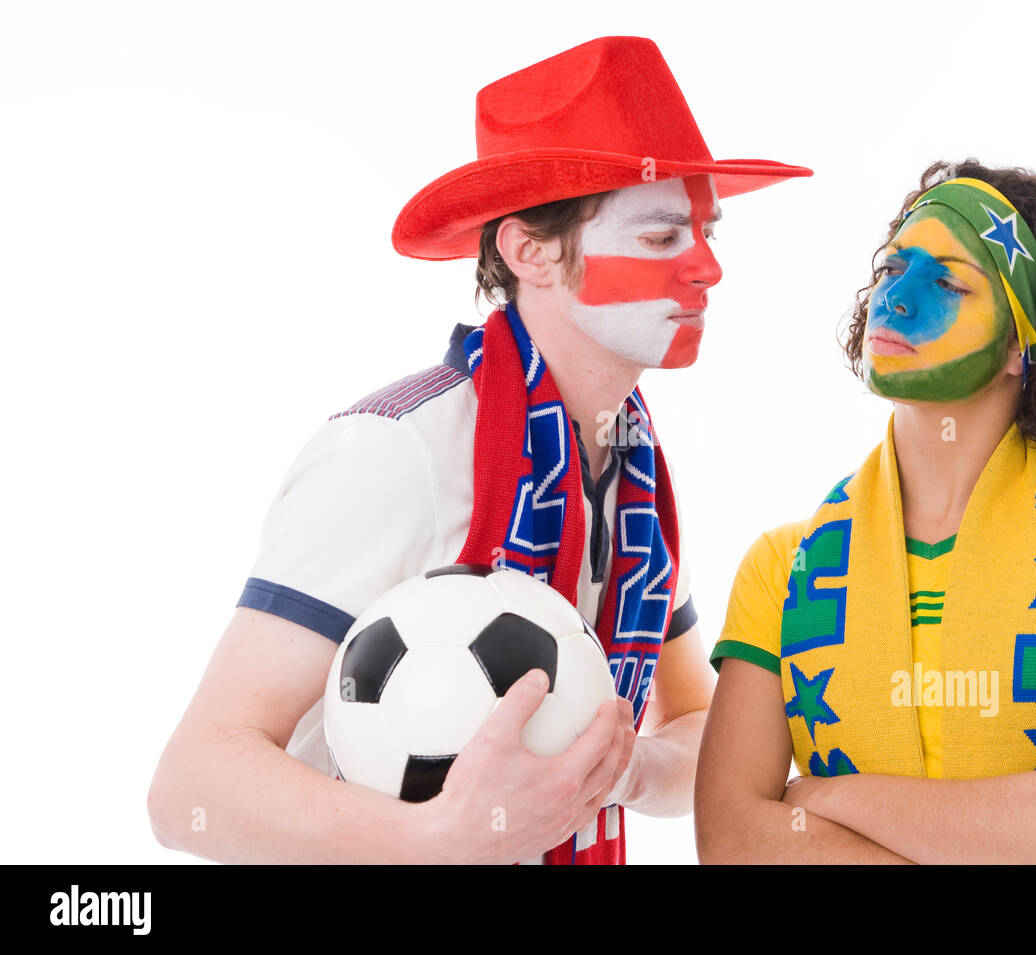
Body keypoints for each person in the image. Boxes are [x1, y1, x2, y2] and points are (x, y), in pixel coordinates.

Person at [147, 35, 810, 865]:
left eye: (706, 231)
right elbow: (190, 788)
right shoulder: (394, 450)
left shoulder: (631, 463)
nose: (707, 267)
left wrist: (623, 767)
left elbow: (695, 724)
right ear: (529, 250)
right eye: (660, 236)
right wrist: (436, 838)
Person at [696, 160, 1036, 864]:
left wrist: (821, 797)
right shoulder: (780, 569)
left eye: (947, 282)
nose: (894, 300)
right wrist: (1019, 824)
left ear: (1017, 344)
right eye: (892, 269)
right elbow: (730, 843)